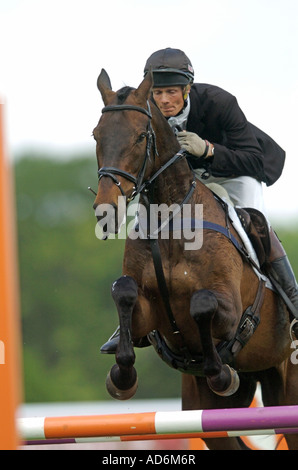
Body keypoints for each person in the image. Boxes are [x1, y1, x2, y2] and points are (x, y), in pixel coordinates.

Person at [100, 48, 298, 353]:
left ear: (188, 89)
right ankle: (129, 321)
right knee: (145, 222)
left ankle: (292, 303)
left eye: (171, 92)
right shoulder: (144, 115)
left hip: (233, 173)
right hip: (184, 184)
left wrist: (208, 150)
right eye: (157, 92)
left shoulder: (220, 103)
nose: (164, 100)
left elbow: (254, 159)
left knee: (254, 223)